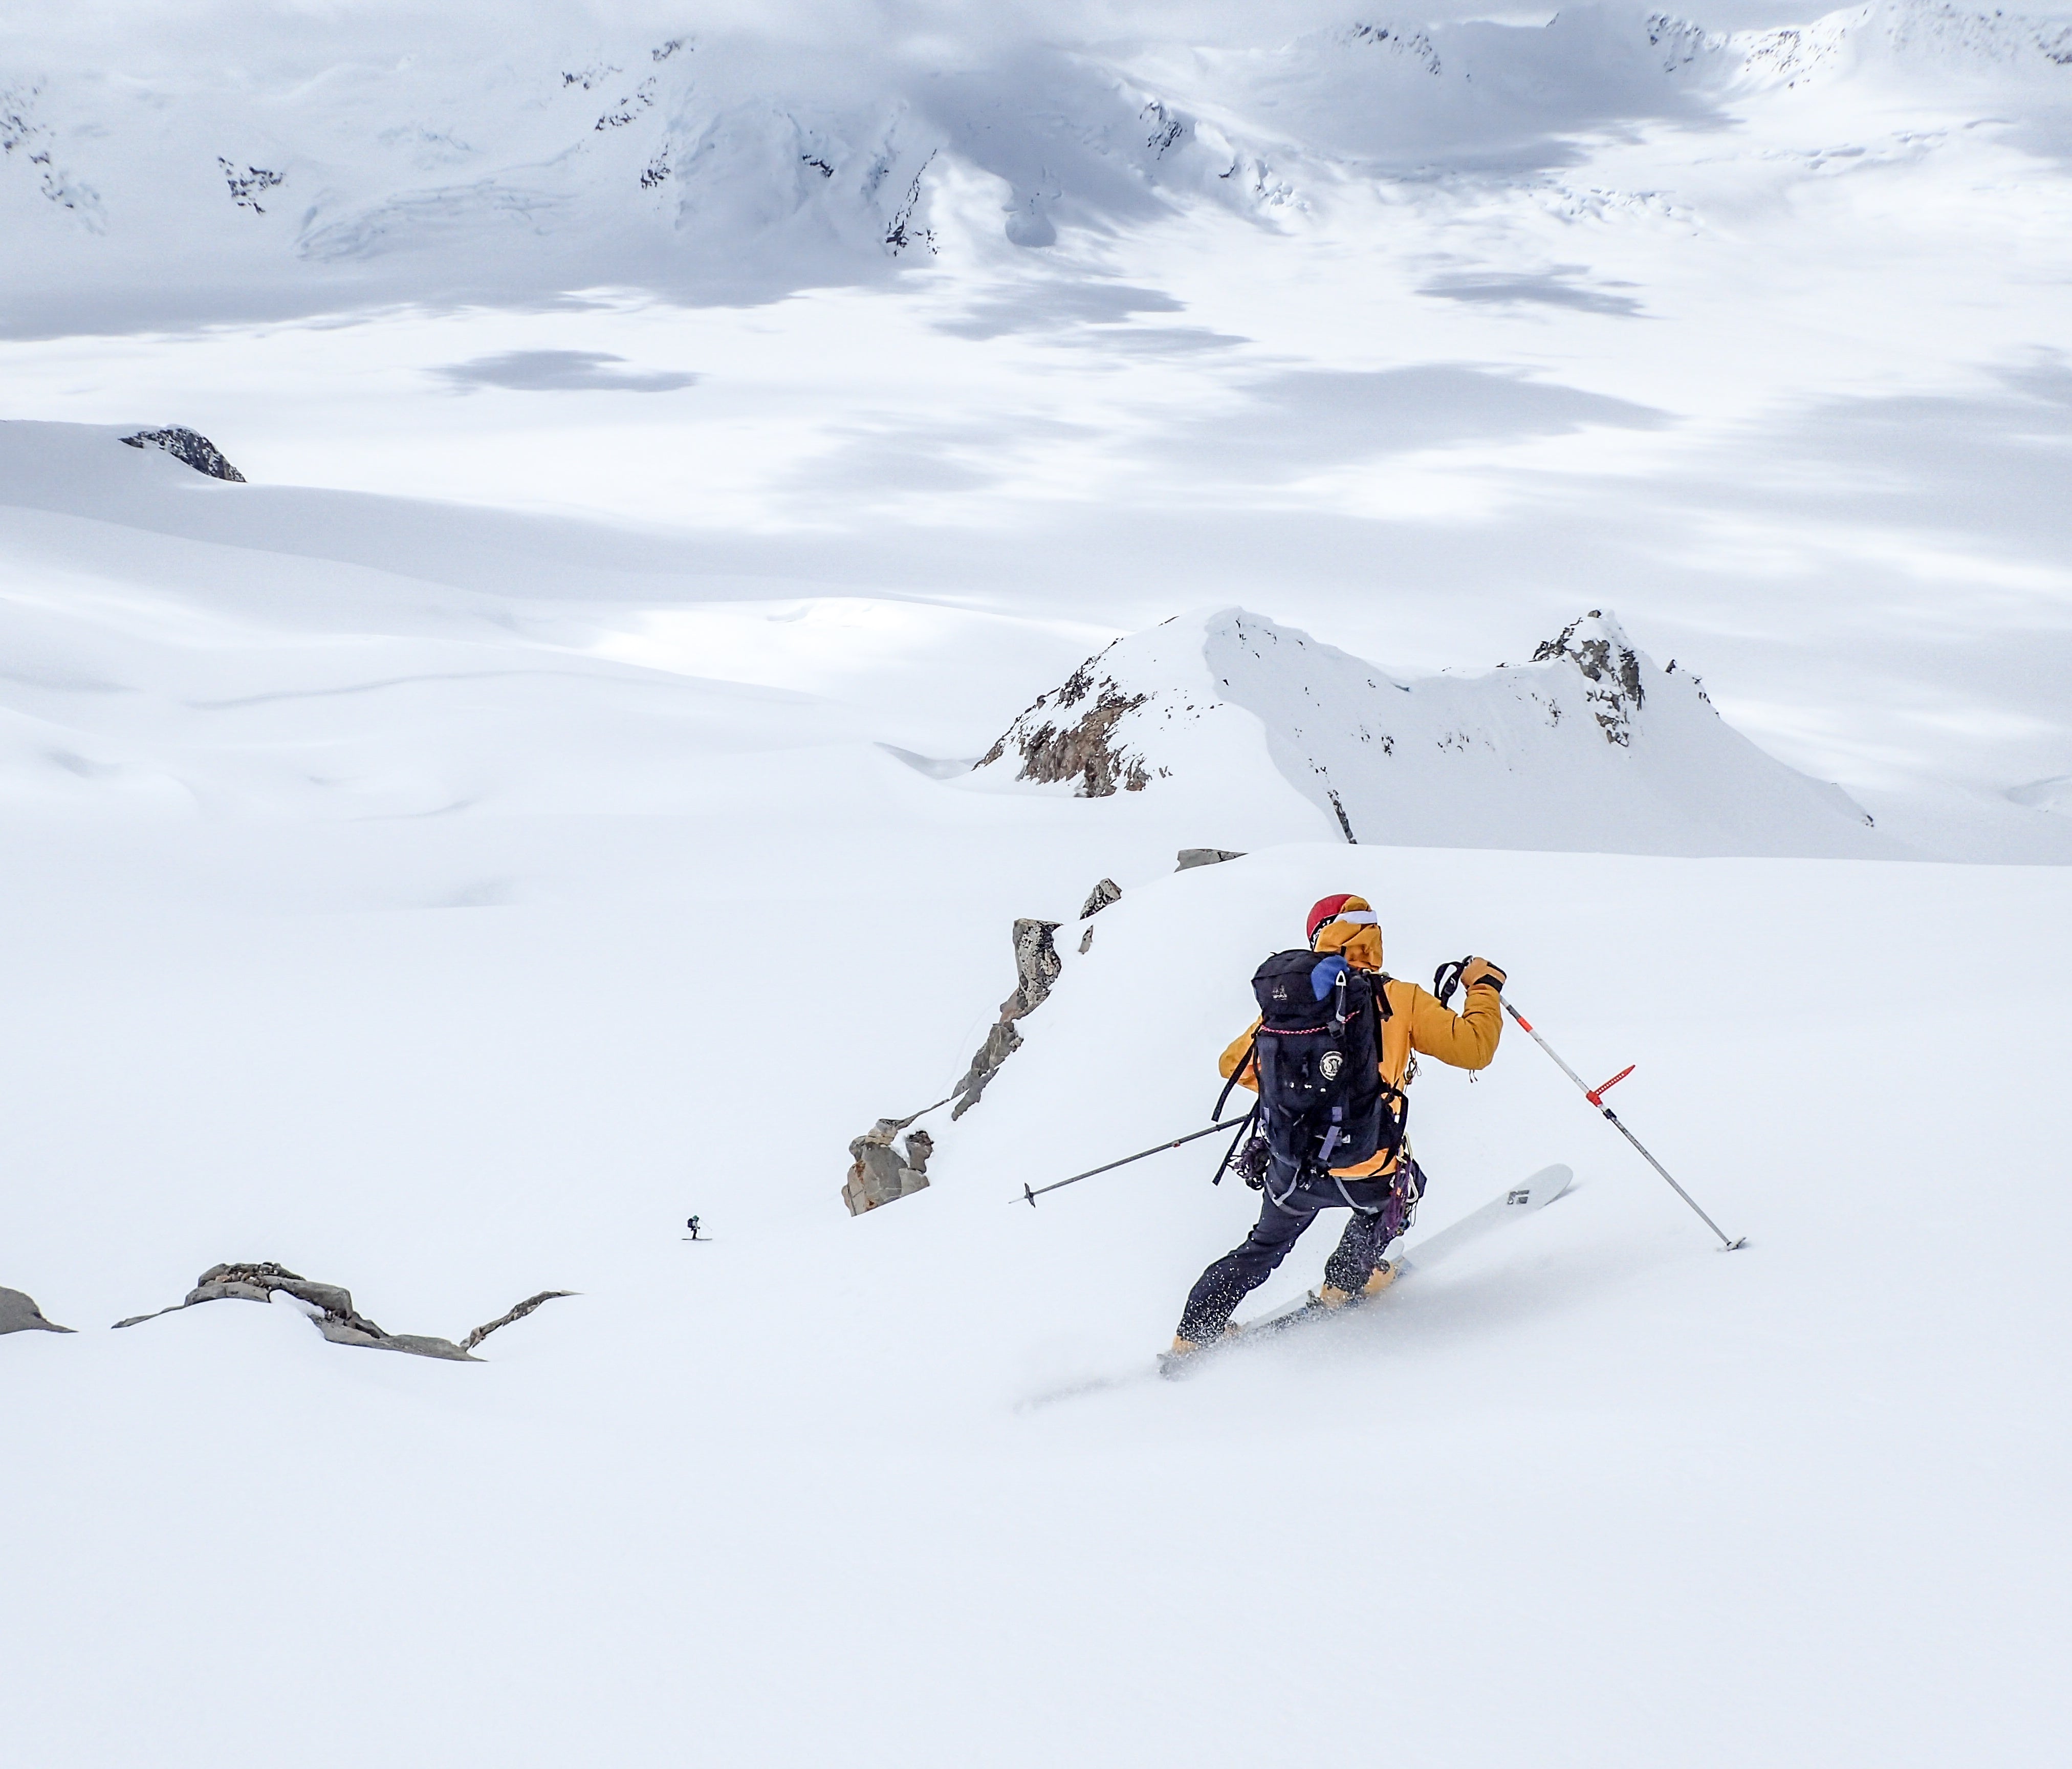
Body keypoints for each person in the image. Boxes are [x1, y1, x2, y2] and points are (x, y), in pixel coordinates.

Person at [1169, 893, 1506, 1360]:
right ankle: (1344, 1285)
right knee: (1403, 1192)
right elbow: (1474, 1049)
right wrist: (1483, 986)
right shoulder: (1399, 997)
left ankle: (1191, 1337)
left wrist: (1301, 1093)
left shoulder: (1294, 1005)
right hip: (1367, 1165)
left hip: (1293, 1168)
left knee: (1263, 1246)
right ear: (1373, 936)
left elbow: (1234, 1065)